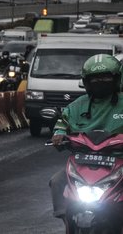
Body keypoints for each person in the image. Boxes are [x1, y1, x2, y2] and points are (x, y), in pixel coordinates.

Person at [49, 54, 123, 219]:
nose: (100, 82)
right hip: (82, 163)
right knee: (57, 181)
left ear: (117, 79)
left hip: (118, 161)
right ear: (87, 82)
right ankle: (67, 219)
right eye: (95, 79)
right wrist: (59, 135)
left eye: (105, 77)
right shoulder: (77, 106)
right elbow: (62, 124)